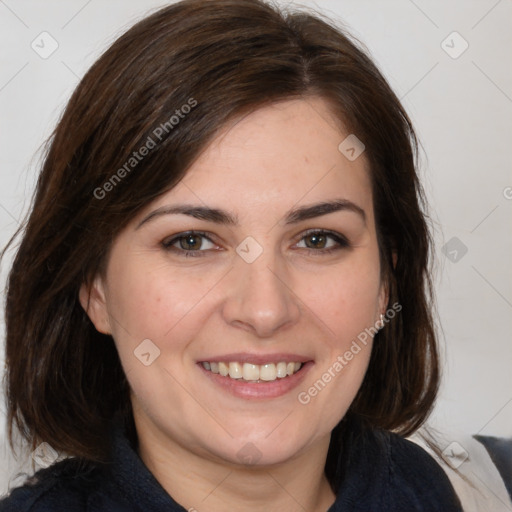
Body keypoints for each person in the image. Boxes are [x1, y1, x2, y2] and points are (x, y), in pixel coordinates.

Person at [0, 0, 463, 510]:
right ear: (95, 287)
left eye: (317, 239)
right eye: (191, 241)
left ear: (385, 284)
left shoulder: (420, 491)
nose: (264, 311)